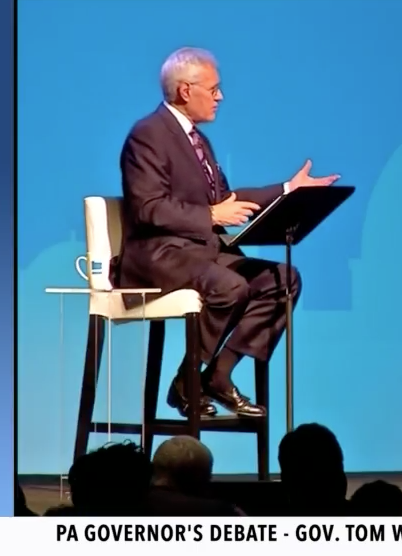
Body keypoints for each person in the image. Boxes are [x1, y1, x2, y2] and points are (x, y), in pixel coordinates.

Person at [116, 47, 339, 418]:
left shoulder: (198, 140)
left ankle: (217, 375)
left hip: (201, 252)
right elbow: (147, 208)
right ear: (186, 91)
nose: (220, 97)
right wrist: (210, 214)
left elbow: (225, 198)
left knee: (282, 279)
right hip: (160, 254)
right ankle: (187, 380)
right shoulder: (148, 135)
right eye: (214, 89)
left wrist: (288, 189)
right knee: (231, 286)